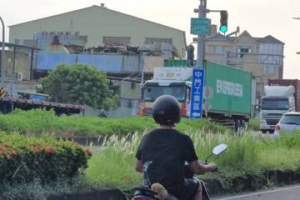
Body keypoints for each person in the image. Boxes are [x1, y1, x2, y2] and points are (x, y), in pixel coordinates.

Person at [135, 95, 218, 200]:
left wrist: (156, 171)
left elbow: (138, 167)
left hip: (149, 188)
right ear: (176, 115)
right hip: (176, 188)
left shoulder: (147, 138)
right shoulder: (183, 139)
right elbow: (197, 169)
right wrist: (210, 166)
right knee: (197, 185)